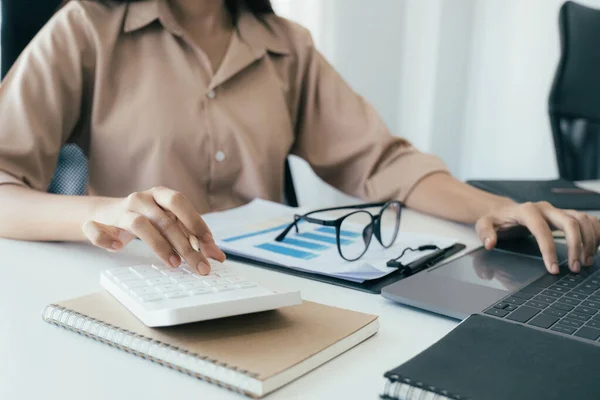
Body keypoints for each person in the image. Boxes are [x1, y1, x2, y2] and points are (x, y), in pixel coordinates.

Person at [0, 0, 598, 276]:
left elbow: (383, 161)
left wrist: (494, 207)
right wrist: (109, 210)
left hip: (268, 290)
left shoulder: (288, 45)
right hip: (138, 288)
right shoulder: (86, 28)